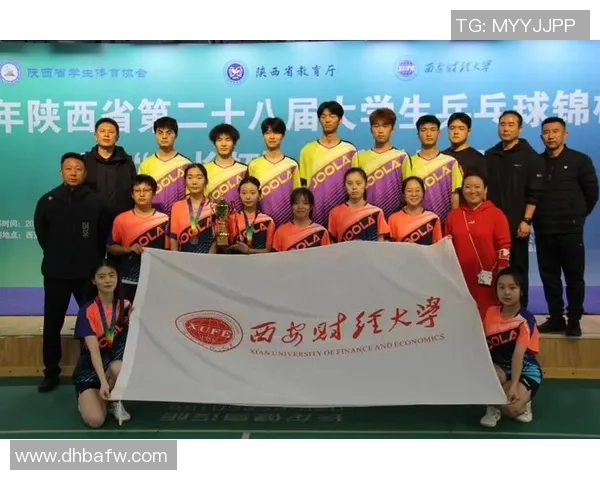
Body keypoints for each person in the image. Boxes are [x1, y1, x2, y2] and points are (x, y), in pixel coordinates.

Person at [33, 152, 110, 393]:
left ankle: (93, 371)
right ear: (61, 172)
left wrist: (92, 262)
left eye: (78, 169)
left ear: (85, 173)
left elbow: (101, 237)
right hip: (56, 273)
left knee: (92, 325)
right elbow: (42, 235)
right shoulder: (48, 200)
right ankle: (51, 372)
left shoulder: (96, 202)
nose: (73, 173)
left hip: (86, 275)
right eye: (69, 168)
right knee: (52, 325)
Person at [534, 117, 599, 336]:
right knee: (549, 277)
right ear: (541, 136)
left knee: (574, 277)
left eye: (555, 131)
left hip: (571, 230)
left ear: (565, 134)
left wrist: (577, 215)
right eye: (546, 132)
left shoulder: (580, 160)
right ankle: (556, 318)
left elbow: (591, 193)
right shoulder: (537, 162)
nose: (550, 136)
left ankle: (574, 319)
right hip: (544, 229)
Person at [484, 110, 546, 309]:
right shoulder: (490, 155)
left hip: (516, 226)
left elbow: (534, 193)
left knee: (518, 269)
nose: (506, 128)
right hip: (492, 226)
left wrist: (526, 220)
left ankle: (520, 312)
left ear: (520, 129)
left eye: (511, 124)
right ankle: (495, 310)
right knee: (493, 268)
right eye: (502, 124)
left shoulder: (530, 157)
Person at [480, 266, 542, 428]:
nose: (506, 292)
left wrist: (514, 386)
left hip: (525, 370)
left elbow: (518, 355)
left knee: (511, 408)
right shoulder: (490, 312)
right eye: (501, 287)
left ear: (521, 291)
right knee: (482, 374)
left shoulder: (525, 319)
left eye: (512, 287)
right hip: (499, 368)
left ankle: (524, 402)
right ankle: (493, 406)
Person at [72, 260, 132, 428]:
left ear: (117, 277)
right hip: (91, 369)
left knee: (118, 367)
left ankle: (114, 400)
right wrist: (103, 382)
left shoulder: (126, 306)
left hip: (115, 366)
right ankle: (87, 396)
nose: (107, 280)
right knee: (96, 420)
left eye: (111, 275)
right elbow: (94, 351)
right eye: (102, 276)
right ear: (94, 280)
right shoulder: (87, 311)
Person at [445, 172, 511, 320]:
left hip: (489, 279)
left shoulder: (496, 214)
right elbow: (447, 249)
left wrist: (502, 274)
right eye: (468, 187)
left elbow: (504, 247)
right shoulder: (453, 216)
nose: (472, 191)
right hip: (460, 280)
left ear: (485, 190)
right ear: (462, 190)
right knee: (462, 319)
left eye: (477, 187)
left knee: (488, 319)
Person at [106, 174, 170, 302]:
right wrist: (128, 249)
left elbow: (170, 251)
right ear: (132, 194)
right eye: (137, 191)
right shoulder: (121, 219)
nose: (141, 194)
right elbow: (110, 247)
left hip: (156, 280)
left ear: (154, 193)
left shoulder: (165, 219)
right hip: (129, 280)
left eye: (146, 190)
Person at [298, 100, 358, 226]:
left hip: (343, 214)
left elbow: (357, 185)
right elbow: (303, 186)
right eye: (323, 116)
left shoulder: (350, 151)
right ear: (319, 120)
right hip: (314, 214)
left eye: (332, 116)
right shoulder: (307, 150)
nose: (327, 120)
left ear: (340, 120)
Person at [402, 115, 462, 224]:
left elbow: (454, 195)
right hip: (416, 223)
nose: (428, 134)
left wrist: (455, 222)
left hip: (443, 222)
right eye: (424, 130)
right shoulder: (409, 162)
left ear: (439, 133)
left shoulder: (450, 162)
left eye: (433, 130)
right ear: (418, 135)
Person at [355, 108, 409, 219]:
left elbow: (408, 190)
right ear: (371, 130)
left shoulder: (402, 157)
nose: (380, 130)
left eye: (385, 126)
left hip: (395, 218)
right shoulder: (360, 157)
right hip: (366, 217)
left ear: (392, 130)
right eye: (376, 126)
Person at [247, 117, 301, 227]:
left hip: (288, 224)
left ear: (283, 136)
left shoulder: (292, 165)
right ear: (263, 136)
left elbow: (298, 197)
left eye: (276, 132)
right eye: (267, 133)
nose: (272, 137)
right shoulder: (253, 165)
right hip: (261, 224)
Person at [83, 118, 137, 223]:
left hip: (121, 220)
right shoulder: (85, 161)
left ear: (117, 137)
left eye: (111, 132)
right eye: (102, 131)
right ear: (95, 136)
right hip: (91, 220)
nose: (106, 135)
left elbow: (133, 190)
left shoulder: (126, 162)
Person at [138, 116, 192, 215]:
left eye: (169, 133)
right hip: (152, 218)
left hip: (179, 216)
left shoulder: (186, 164)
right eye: (160, 132)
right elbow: (140, 194)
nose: (164, 136)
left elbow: (190, 196)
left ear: (176, 135)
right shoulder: (146, 164)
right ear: (155, 135)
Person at [328, 167, 390, 242]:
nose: (354, 187)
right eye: (350, 183)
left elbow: (381, 241)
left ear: (365, 185)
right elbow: (332, 243)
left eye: (358, 183)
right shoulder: (335, 213)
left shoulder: (376, 212)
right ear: (344, 186)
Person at [169, 164, 216, 254]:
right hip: (182, 259)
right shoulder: (176, 207)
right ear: (185, 181)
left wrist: (209, 259)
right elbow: (173, 239)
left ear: (206, 181)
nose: (194, 182)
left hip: (208, 258)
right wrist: (175, 260)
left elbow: (216, 240)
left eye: (199, 178)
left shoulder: (214, 207)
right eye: (190, 178)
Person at [204, 123, 248, 214]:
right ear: (214, 144)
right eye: (219, 140)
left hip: (239, 220)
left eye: (228, 139)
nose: (223, 144)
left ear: (234, 143)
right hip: (210, 220)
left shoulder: (244, 170)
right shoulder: (204, 169)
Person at [388, 176, 442, 245]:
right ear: (403, 194)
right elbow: (390, 248)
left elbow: (437, 246)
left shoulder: (433, 218)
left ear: (423, 193)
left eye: (417, 190)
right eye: (409, 191)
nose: (413, 194)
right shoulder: (393, 219)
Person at [227, 176, 275, 254]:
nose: (248, 197)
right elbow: (226, 249)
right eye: (244, 193)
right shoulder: (232, 219)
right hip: (236, 260)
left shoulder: (268, 220)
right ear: (239, 195)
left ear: (259, 194)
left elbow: (268, 250)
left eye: (252, 193)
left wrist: (249, 251)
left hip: (260, 261)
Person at [442, 112, 486, 179]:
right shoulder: (441, 157)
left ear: (469, 132)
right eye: (452, 128)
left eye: (461, 128)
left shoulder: (478, 159)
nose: (456, 132)